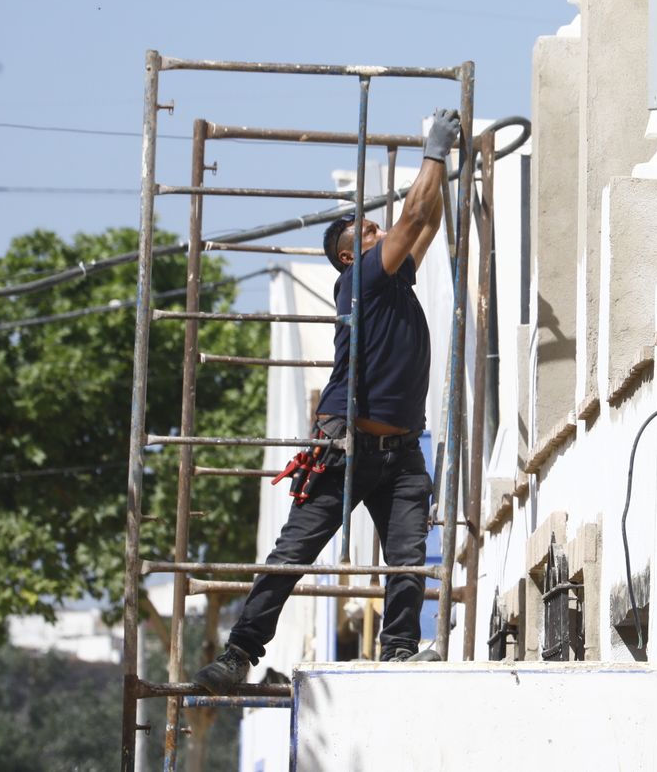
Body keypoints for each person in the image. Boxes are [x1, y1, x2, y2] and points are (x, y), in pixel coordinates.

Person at [193, 107, 462, 693]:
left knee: (410, 561)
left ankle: (396, 653)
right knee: (293, 553)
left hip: (400, 452)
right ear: (349, 255)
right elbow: (413, 214)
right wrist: (434, 154)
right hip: (346, 447)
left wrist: (439, 172)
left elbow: (427, 224)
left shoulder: (391, 279)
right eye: (367, 232)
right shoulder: (361, 278)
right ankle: (239, 654)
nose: (379, 232)